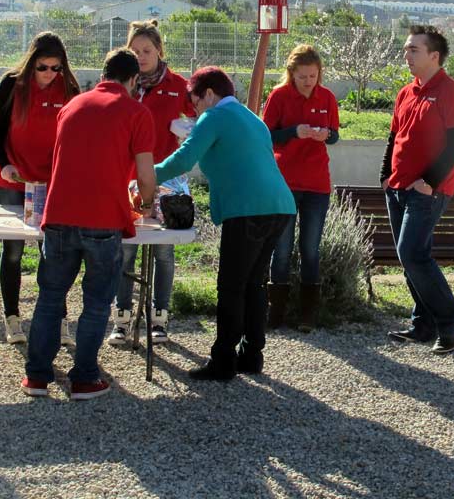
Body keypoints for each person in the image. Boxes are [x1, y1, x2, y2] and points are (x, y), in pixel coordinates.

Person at [21, 49, 156, 401]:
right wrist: (145, 204)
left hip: (59, 216)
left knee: (51, 297)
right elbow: (145, 175)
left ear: (103, 75)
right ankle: (84, 378)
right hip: (103, 220)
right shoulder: (136, 112)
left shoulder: (72, 106)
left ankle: (36, 377)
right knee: (96, 301)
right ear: (132, 81)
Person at [154, 67, 295, 381]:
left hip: (247, 209)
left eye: (195, 103)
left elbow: (182, 160)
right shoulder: (251, 118)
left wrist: (143, 176)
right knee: (254, 284)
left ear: (208, 94)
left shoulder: (214, 116)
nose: (195, 111)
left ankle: (223, 360)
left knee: (231, 287)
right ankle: (251, 355)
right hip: (280, 206)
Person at [380, 25, 454, 355]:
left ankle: (450, 321)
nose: (406, 55)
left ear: (434, 56)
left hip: (428, 191)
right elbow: (395, 137)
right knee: (412, 258)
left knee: (412, 254)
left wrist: (428, 182)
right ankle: (423, 324)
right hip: (398, 187)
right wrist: (385, 174)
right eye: (406, 49)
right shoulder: (406, 92)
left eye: (413, 50)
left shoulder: (453, 93)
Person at [0, 31, 80, 346]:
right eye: (43, 67)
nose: (49, 74)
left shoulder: (69, 88)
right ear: (31, 63)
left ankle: (58, 318)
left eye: (56, 68)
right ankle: (12, 316)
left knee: (52, 249)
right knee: (13, 248)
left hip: (50, 179)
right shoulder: (11, 85)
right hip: (13, 175)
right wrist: (6, 163)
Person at [108, 20, 195, 348]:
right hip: (128, 176)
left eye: (147, 50)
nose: (141, 56)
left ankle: (159, 318)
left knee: (163, 251)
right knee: (125, 251)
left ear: (160, 51)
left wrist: (185, 128)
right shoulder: (124, 85)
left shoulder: (178, 85)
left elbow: (201, 120)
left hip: (168, 178)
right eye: (135, 51)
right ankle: (122, 318)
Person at [262, 45, 339, 331]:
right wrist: (294, 132)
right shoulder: (279, 96)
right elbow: (266, 135)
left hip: (317, 184)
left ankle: (307, 314)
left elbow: (335, 135)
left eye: (313, 76)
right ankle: (276, 311)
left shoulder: (327, 97)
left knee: (310, 248)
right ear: (291, 73)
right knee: (281, 248)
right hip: (285, 182)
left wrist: (325, 134)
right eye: (303, 76)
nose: (309, 81)